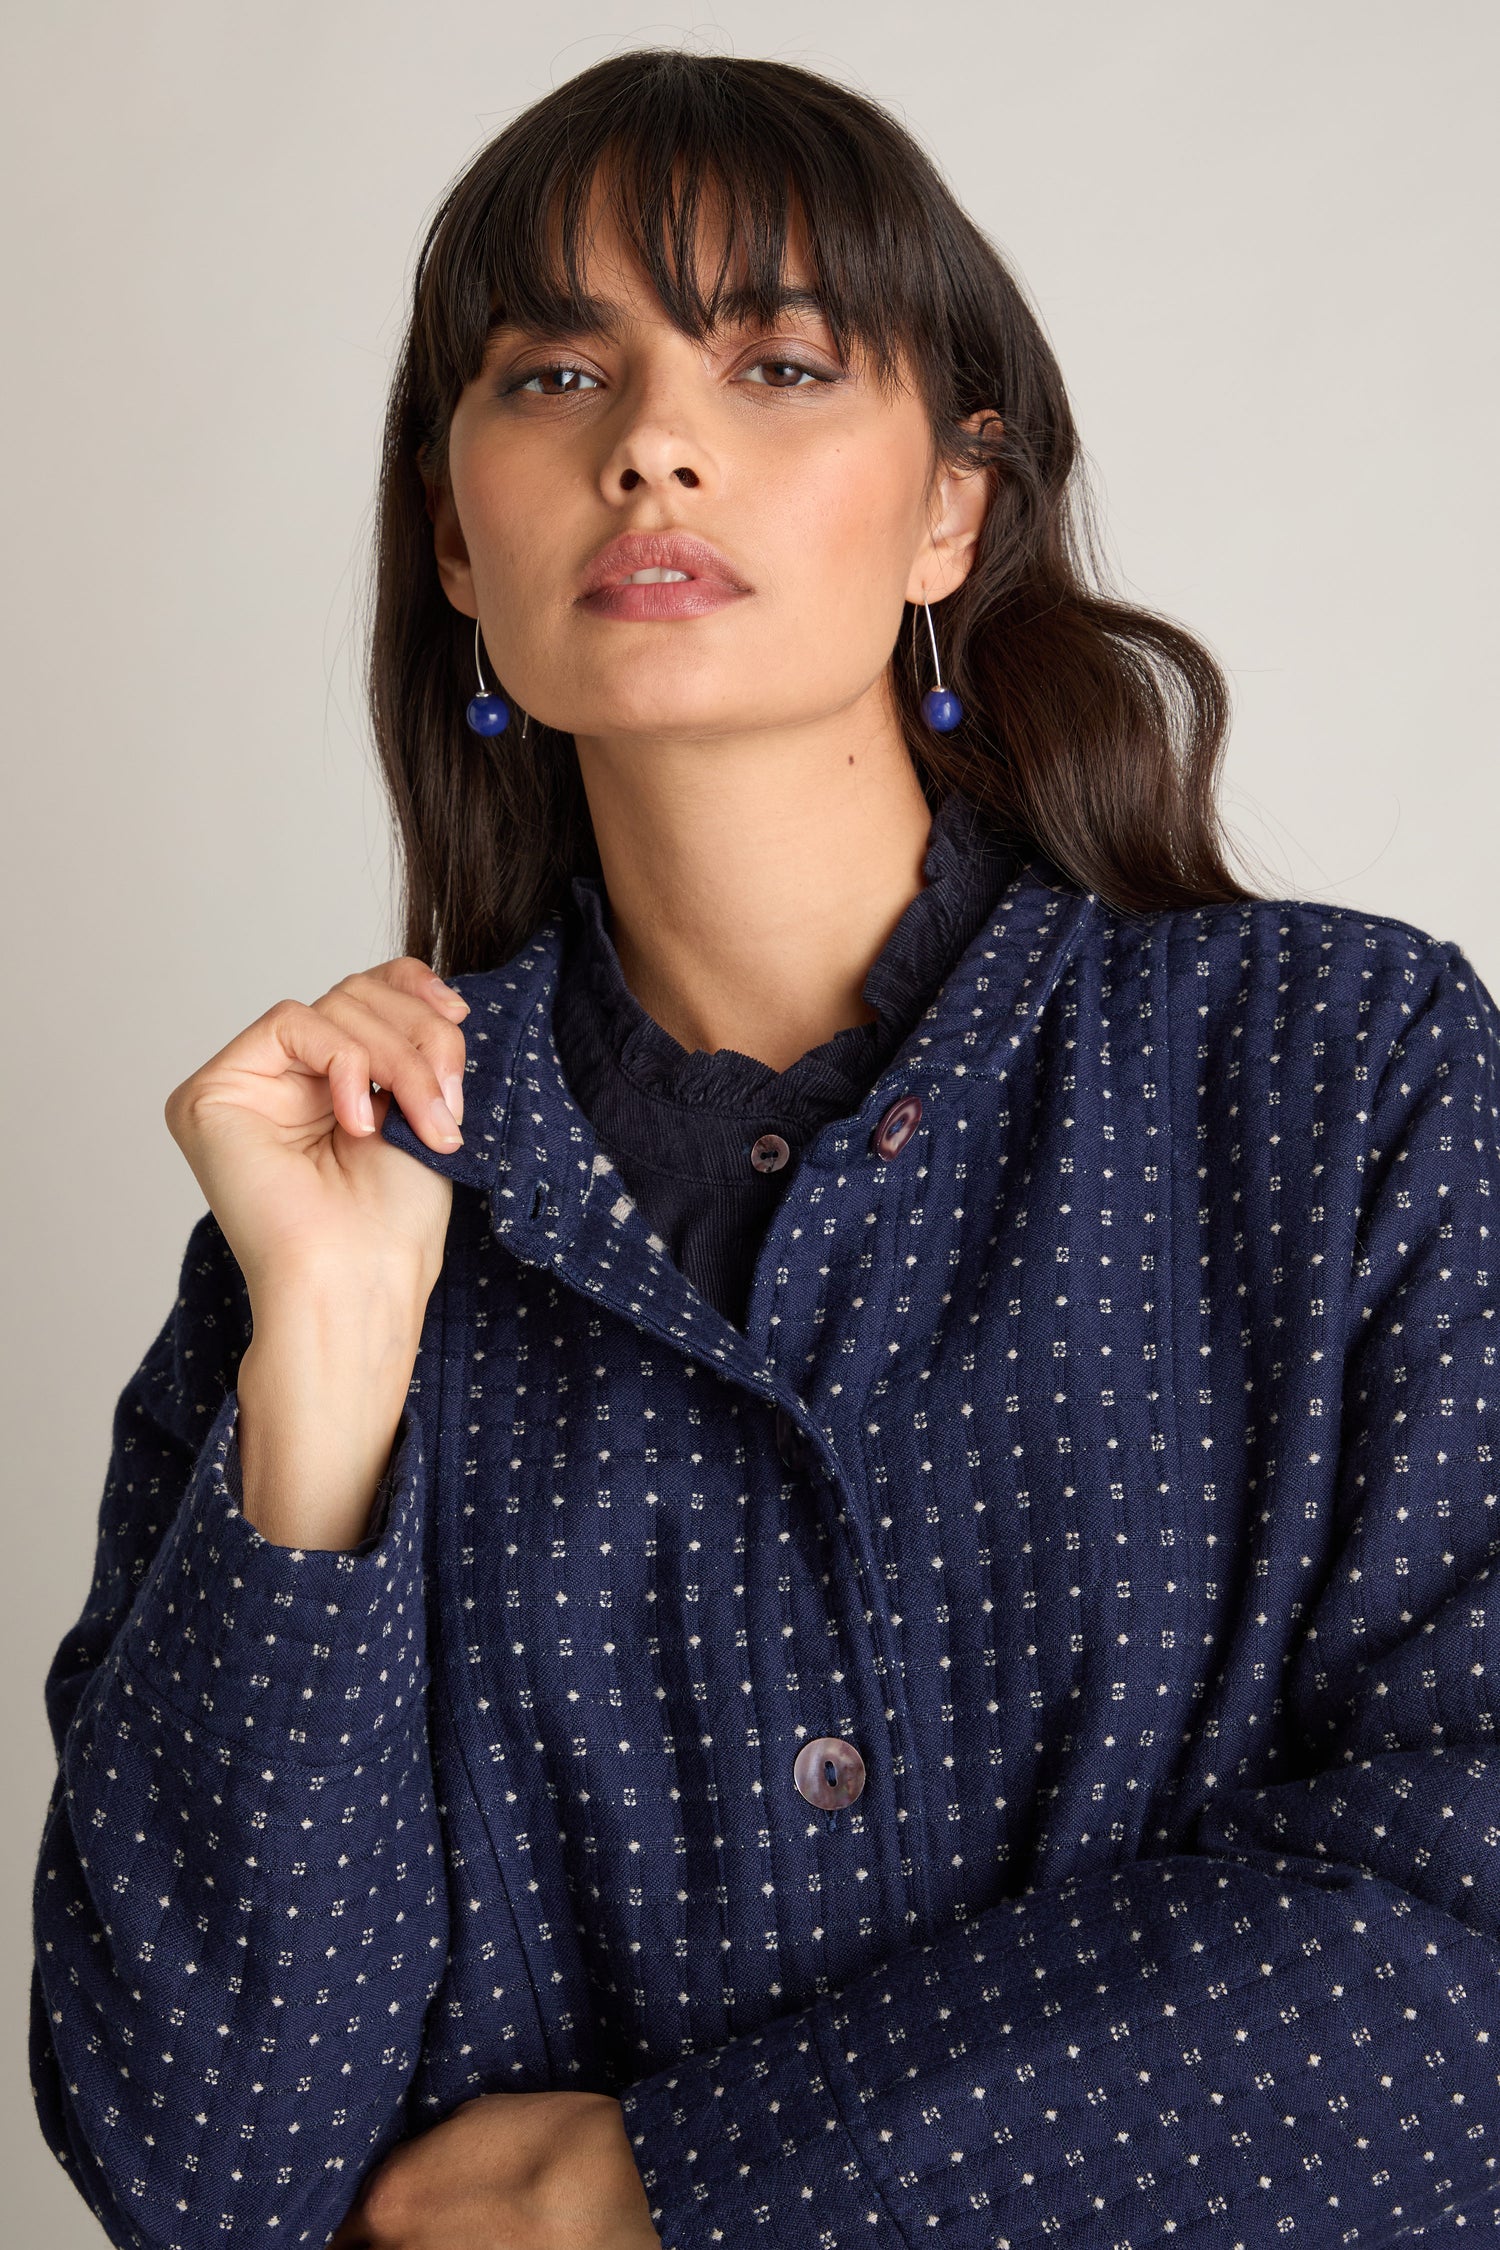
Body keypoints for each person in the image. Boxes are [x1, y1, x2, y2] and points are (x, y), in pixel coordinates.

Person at [29, 45, 1500, 2250]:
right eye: (551, 375)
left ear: (953, 511)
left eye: (781, 359)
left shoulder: (1328, 1075)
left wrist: (663, 2185)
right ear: (455, 532)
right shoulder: (324, 1224)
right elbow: (204, 2169)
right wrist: (325, 1370)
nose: (653, 443)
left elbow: (1469, 1931)